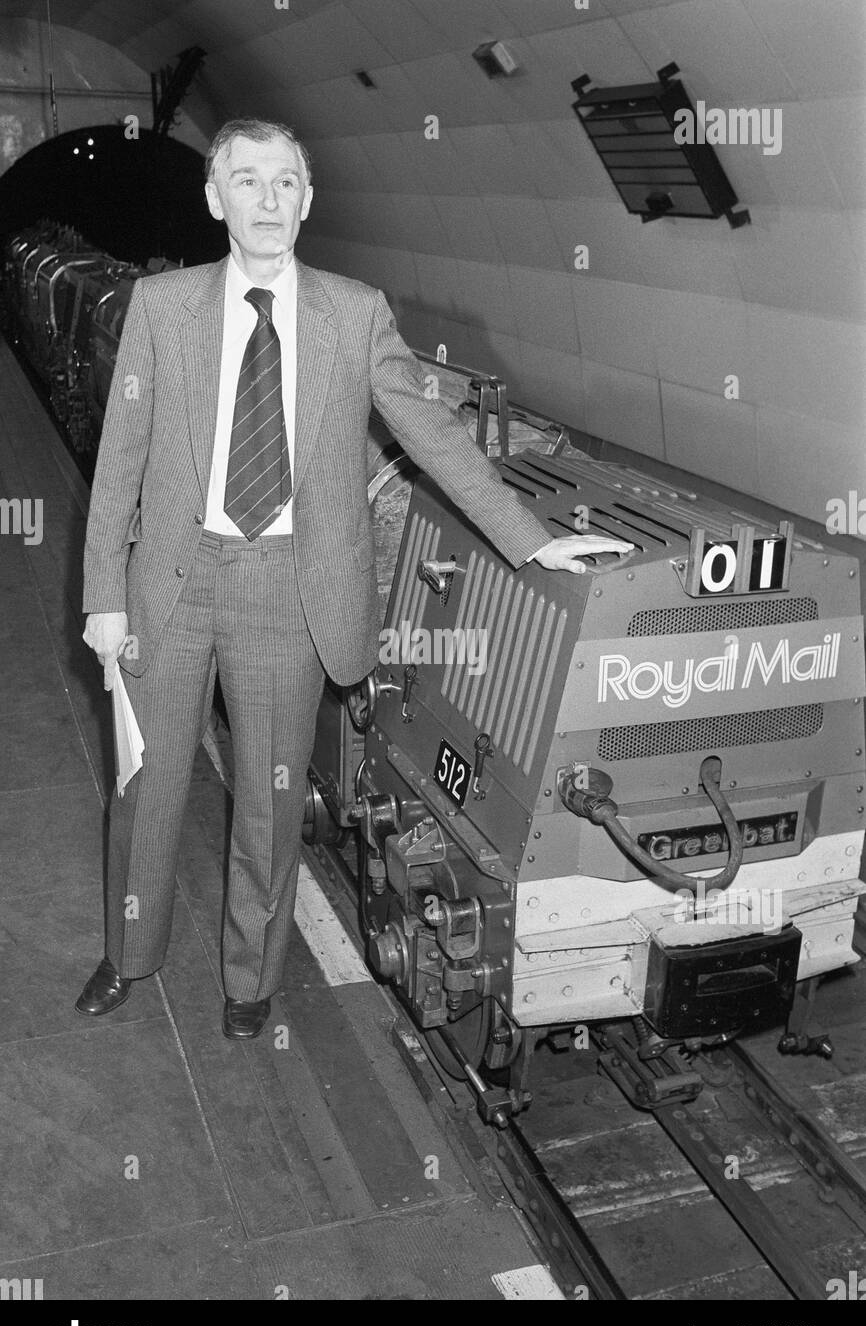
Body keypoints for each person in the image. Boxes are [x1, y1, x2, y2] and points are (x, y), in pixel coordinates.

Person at [77, 118, 633, 1039]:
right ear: (214, 199)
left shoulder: (353, 312)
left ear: (307, 199)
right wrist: (103, 595)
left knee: (269, 803)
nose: (267, 200)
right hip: (169, 586)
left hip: (288, 594)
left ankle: (249, 984)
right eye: (246, 181)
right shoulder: (162, 308)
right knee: (147, 787)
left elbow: (431, 432)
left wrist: (531, 541)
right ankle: (129, 953)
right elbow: (120, 459)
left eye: (284, 182)